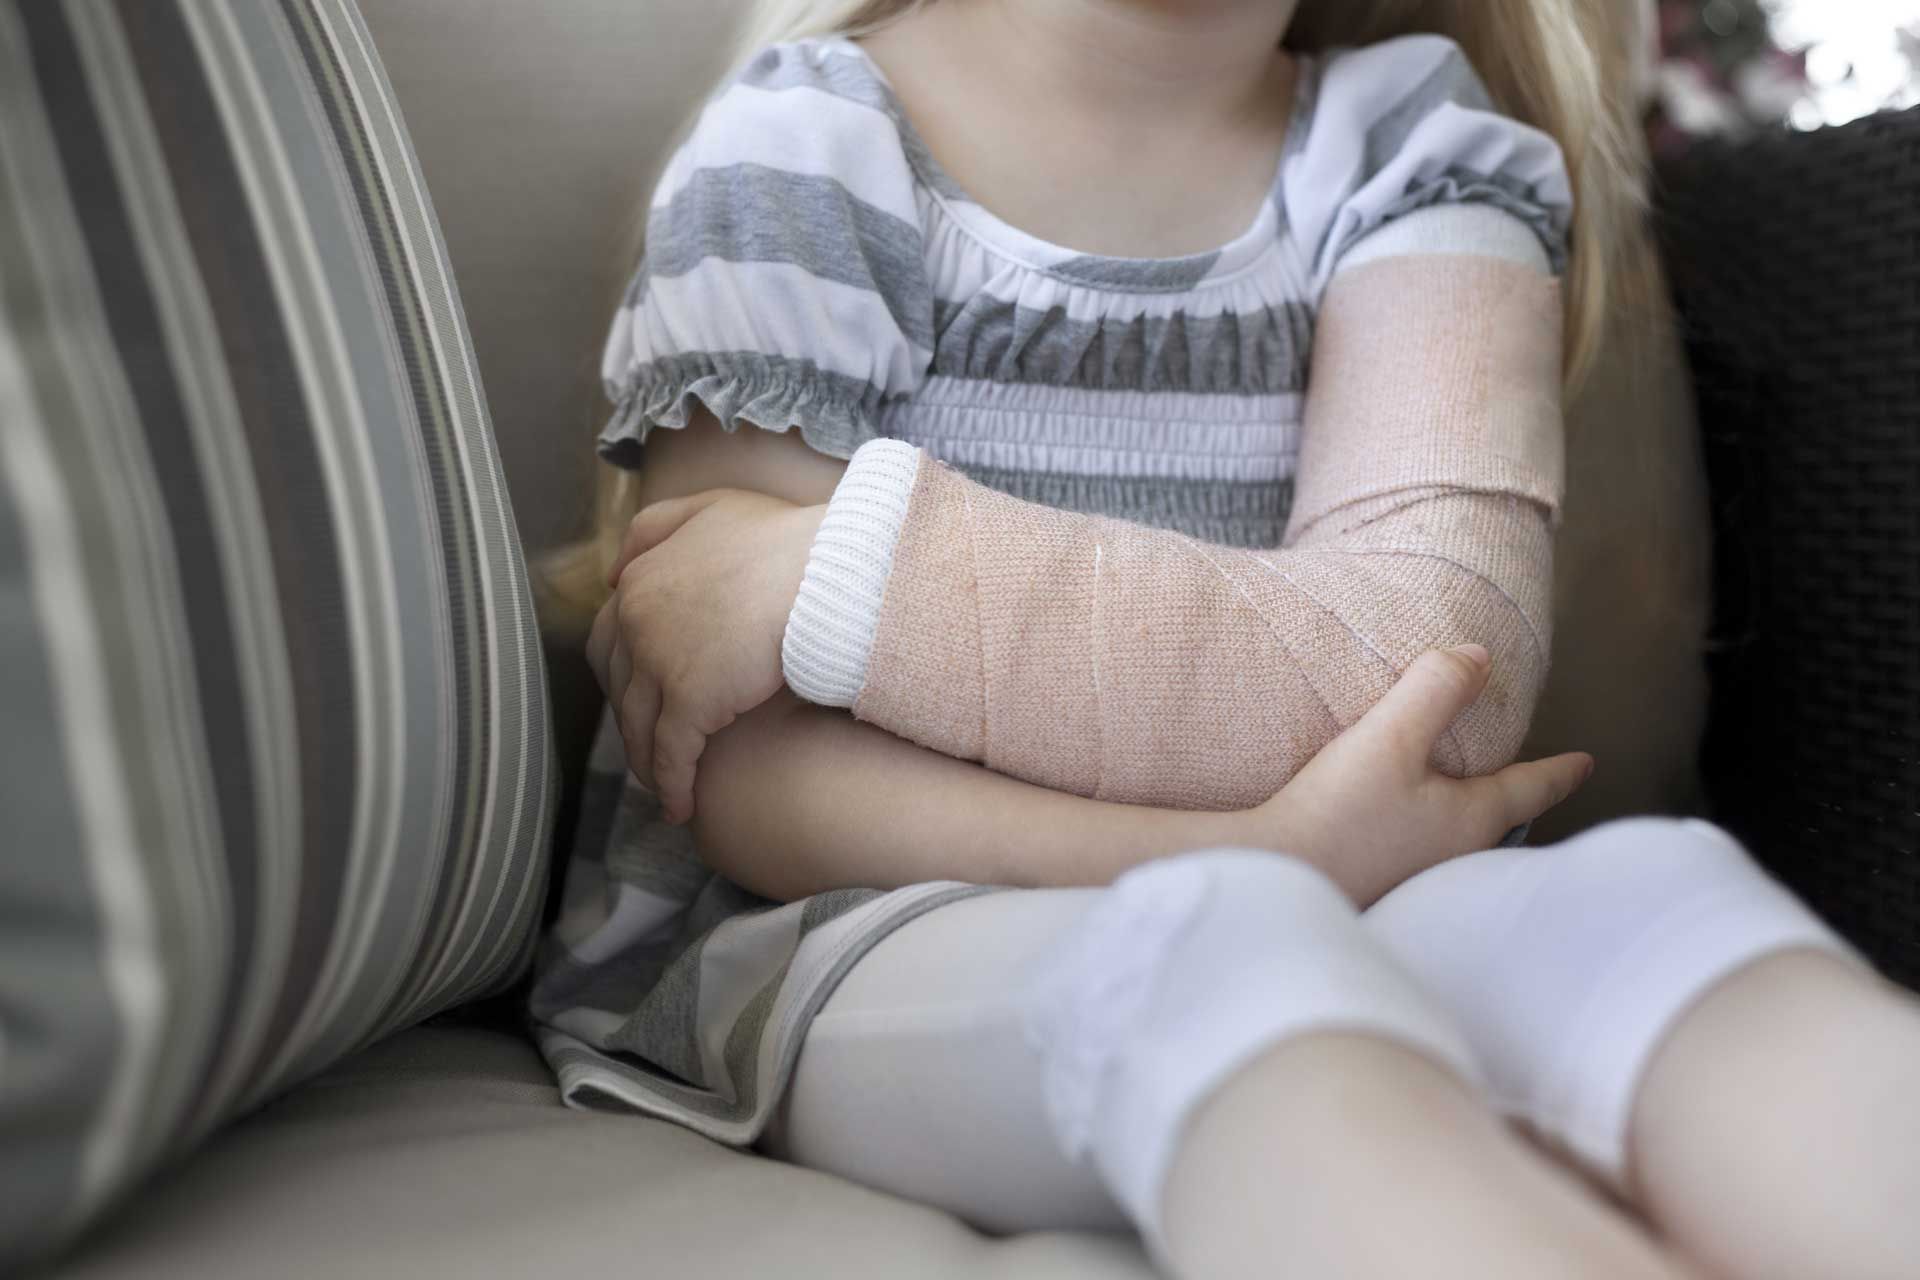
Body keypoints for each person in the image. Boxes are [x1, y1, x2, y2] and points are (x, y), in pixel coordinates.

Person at [531, 2, 1920, 1276]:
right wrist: (1247, 857)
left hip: (1343, 865)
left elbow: (1431, 672)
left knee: (1638, 900)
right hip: (823, 926)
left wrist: (848, 575)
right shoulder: (813, 140)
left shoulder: (1412, 149)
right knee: (1216, 948)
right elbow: (742, 779)